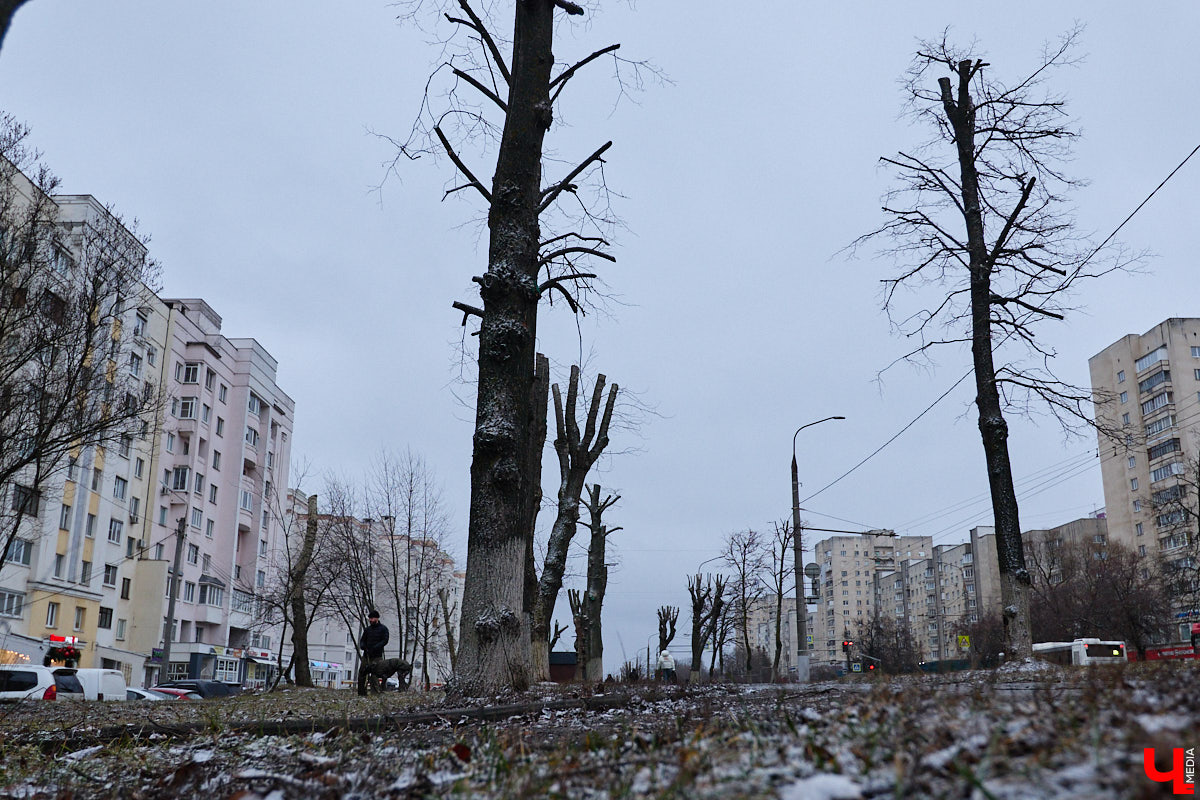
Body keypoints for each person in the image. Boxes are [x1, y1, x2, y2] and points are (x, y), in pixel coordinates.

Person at [357, 609, 390, 696]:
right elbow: (362, 640)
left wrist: (376, 647)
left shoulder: (383, 629)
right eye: (370, 618)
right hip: (367, 655)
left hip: (377, 656)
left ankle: (375, 693)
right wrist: (363, 646)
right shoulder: (367, 630)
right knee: (362, 673)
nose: (370, 620)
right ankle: (361, 693)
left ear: (377, 618)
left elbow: (385, 640)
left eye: (372, 618)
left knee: (375, 674)